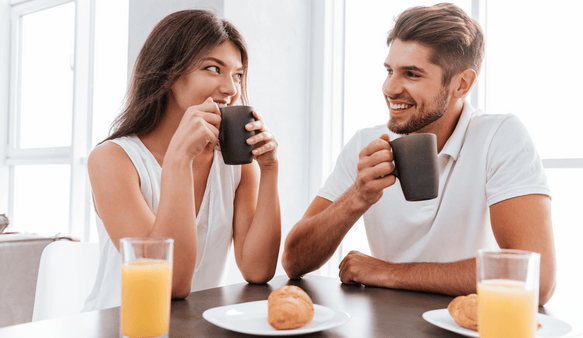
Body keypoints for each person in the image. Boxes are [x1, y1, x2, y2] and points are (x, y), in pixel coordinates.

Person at [282, 3, 556, 305]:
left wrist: (389, 273)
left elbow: (538, 279)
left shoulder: (500, 136)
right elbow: (294, 262)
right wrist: (358, 196)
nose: (390, 87)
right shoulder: (366, 143)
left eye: (411, 74)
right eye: (389, 71)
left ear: (461, 84)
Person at [83, 9, 281, 312]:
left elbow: (257, 270)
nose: (231, 89)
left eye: (237, 74)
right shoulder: (112, 160)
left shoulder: (236, 165)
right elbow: (170, 285)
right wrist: (179, 160)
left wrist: (269, 169)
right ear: (167, 75)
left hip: (197, 328)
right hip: (127, 327)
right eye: (214, 69)